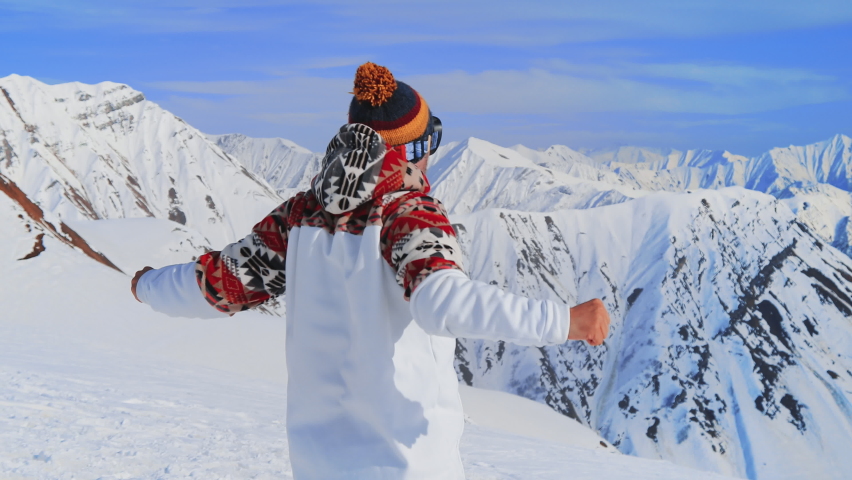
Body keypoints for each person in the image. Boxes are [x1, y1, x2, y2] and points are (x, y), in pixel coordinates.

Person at [131, 62, 611, 480]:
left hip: (318, 466)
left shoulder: (299, 215)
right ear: (407, 150)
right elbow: (442, 303)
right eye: (430, 139)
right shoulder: (408, 214)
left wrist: (146, 286)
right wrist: (564, 322)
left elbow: (216, 285)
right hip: (410, 466)